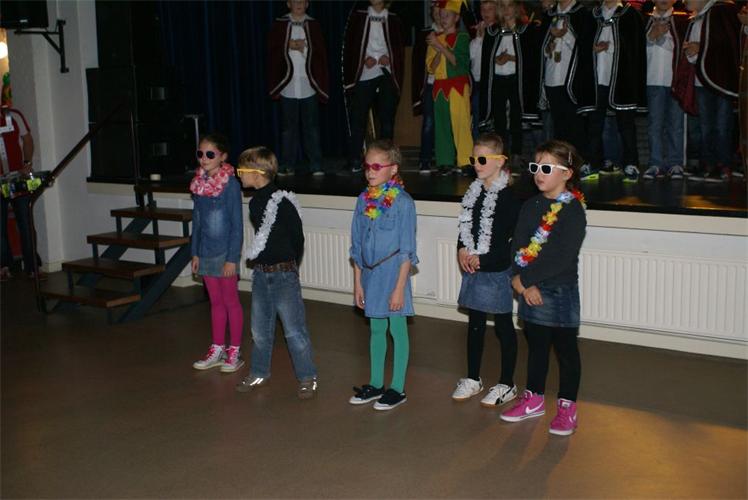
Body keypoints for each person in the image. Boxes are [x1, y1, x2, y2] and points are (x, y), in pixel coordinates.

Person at [501, 139, 587, 437]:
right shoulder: (531, 205)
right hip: (530, 288)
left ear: (567, 173)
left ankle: (567, 407)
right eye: (536, 167)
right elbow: (518, 244)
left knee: (565, 350)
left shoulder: (572, 210)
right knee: (536, 347)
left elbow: (561, 256)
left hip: (559, 292)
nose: (539, 173)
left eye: (547, 168)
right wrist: (521, 279)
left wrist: (524, 281)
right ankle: (534, 399)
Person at [234, 146, 319, 399]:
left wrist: (289, 265)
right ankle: (259, 372)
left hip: (283, 275)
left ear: (257, 173)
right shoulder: (255, 203)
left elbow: (297, 238)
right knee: (260, 330)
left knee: (294, 330)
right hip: (261, 275)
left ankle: (307, 377)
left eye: (241, 170)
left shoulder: (283, 201)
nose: (239, 175)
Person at [452, 133, 521, 407]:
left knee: (503, 326)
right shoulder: (474, 192)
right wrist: (462, 248)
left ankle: (507, 383)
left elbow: (512, 242)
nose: (476, 164)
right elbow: (465, 225)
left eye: (482, 160)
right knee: (475, 324)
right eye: (473, 159)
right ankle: (473, 378)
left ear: (500, 161)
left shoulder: (509, 198)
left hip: (498, 270)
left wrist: (485, 260)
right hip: (475, 268)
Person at [349, 139, 417, 411]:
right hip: (369, 273)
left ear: (393, 168)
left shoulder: (403, 203)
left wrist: (399, 288)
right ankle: (376, 383)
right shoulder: (362, 200)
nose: (370, 171)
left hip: (393, 274)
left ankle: (397, 388)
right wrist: (358, 283)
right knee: (376, 328)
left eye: (377, 166)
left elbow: (407, 251)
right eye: (367, 166)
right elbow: (356, 246)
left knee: (396, 329)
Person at [190, 133, 245, 373]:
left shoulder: (230, 185)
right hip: (205, 252)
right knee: (215, 302)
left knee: (230, 301)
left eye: (210, 154)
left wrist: (232, 258)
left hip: (225, 253)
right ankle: (218, 347)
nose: (204, 158)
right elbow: (197, 221)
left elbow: (237, 225)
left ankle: (234, 350)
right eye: (200, 154)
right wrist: (195, 252)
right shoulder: (198, 185)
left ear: (222, 157)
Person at [267, 0, 329, 176]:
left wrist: (305, 46)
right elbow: (272, 50)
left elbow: (320, 52)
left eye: (302, 1)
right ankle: (287, 165)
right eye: (295, 1)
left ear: (307, 4)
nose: (298, 4)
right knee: (288, 128)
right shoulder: (280, 24)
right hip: (288, 83)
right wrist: (287, 45)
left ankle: (316, 164)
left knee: (312, 127)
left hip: (308, 83)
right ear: (289, 4)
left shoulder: (313, 24)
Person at [587, 0, 647, 182]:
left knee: (626, 125)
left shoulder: (630, 15)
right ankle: (594, 162)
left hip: (622, 79)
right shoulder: (593, 15)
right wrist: (593, 48)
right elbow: (583, 43)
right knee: (594, 124)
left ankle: (631, 163)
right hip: (597, 78)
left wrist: (610, 46)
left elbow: (634, 47)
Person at [342, 0, 405, 174]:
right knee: (358, 118)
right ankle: (355, 160)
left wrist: (389, 58)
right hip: (365, 73)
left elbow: (398, 49)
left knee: (387, 120)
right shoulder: (359, 17)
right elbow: (352, 47)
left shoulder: (393, 19)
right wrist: (363, 59)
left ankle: (387, 161)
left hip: (386, 73)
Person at [479, 0, 542, 171]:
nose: (506, 10)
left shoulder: (525, 30)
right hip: (498, 79)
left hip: (516, 79)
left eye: (509, 6)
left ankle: (516, 154)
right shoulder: (492, 31)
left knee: (516, 118)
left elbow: (530, 58)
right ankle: (502, 155)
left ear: (516, 8)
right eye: (502, 6)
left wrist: (511, 58)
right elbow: (487, 58)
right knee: (499, 120)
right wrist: (496, 59)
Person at [683, 0, 741, 181]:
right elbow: (693, 54)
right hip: (702, 82)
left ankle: (724, 165)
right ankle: (708, 164)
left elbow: (728, 44)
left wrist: (700, 48)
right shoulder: (695, 20)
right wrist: (692, 52)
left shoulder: (723, 11)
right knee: (705, 127)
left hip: (721, 80)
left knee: (722, 126)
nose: (685, 1)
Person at [538, 0, 596, 180]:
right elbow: (541, 48)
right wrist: (550, 41)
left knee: (576, 126)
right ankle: (563, 165)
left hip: (573, 79)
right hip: (552, 76)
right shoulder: (549, 15)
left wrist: (566, 35)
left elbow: (586, 46)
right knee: (559, 127)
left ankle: (582, 164)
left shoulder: (582, 14)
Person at [0, 90, 45, 281]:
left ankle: (32, 266)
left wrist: (27, 163)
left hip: (17, 178)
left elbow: (27, 140)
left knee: (26, 223)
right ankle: (4, 266)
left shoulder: (14, 116)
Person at [643, 0, 689, 180]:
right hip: (652, 79)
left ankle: (675, 163)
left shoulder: (683, 21)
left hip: (675, 80)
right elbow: (636, 49)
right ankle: (655, 163)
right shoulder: (645, 20)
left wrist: (662, 37)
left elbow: (684, 48)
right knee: (654, 125)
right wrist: (651, 36)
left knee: (676, 125)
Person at [427, 0, 474, 175]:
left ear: (456, 18)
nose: (443, 18)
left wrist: (440, 46)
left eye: (447, 15)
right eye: (441, 15)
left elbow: (458, 63)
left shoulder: (462, 37)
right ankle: (444, 161)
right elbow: (431, 67)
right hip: (439, 87)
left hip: (457, 86)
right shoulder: (434, 38)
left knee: (461, 123)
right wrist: (437, 47)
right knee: (442, 126)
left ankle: (466, 161)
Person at [412, 2, 443, 173]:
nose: (439, 15)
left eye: (442, 12)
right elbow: (418, 63)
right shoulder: (425, 33)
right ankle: (425, 159)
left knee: (447, 123)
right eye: (436, 12)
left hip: (448, 83)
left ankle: (445, 159)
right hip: (431, 83)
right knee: (429, 122)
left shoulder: (453, 33)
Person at [470, 0, 500, 139]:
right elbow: (471, 56)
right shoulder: (478, 30)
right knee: (478, 117)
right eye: (483, 10)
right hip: (478, 82)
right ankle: (478, 146)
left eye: (490, 9)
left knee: (494, 118)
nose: (486, 13)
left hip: (494, 81)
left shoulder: (499, 31)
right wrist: (479, 37)